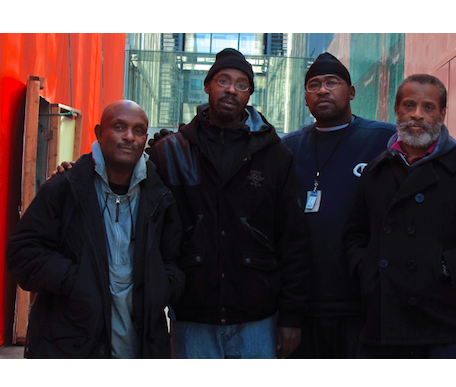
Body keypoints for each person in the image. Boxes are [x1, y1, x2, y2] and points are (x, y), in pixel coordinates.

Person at [281, 52, 456, 359]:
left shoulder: (383, 139)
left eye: (332, 82)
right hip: (307, 304)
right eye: (314, 84)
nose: (323, 90)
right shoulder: (286, 149)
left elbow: (430, 145)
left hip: (370, 306)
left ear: (352, 92)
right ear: (305, 97)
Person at [147, 48, 311, 359]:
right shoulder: (170, 153)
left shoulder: (275, 155)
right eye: (223, 80)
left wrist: (291, 316)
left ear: (249, 93)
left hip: (257, 315)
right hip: (193, 312)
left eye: (241, 84)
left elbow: (294, 240)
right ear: (207, 85)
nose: (231, 90)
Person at [342, 74, 456, 358]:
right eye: (409, 105)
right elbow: (355, 235)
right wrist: (368, 271)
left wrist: (443, 268)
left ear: (442, 113)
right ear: (396, 111)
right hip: (383, 329)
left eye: (428, 107)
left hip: (448, 327)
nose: (417, 115)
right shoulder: (376, 170)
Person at [6, 100, 185, 358]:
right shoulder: (65, 189)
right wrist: (76, 280)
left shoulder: (160, 196)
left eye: (138, 130)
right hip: (70, 345)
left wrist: (161, 287)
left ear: (145, 137)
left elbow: (175, 257)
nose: (129, 137)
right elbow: (22, 253)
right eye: (119, 127)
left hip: (141, 346)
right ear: (99, 132)